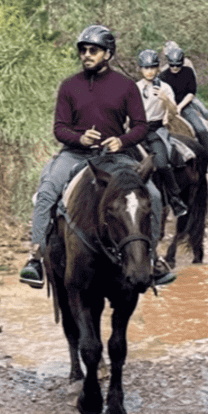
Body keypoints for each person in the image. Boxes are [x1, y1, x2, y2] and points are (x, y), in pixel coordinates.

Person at [20, 25, 167, 288]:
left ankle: (153, 258)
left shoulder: (125, 86)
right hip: (75, 155)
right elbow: (59, 128)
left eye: (93, 50)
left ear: (108, 54)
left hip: (115, 156)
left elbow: (140, 126)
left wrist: (121, 140)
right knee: (47, 191)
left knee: (153, 195)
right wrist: (79, 138)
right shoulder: (69, 86)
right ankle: (36, 258)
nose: (86, 55)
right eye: (83, 50)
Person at [135, 49, 188, 219]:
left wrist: (166, 99)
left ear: (157, 68)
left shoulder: (165, 88)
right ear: (140, 69)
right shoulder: (135, 88)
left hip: (155, 130)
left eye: (152, 67)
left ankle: (175, 199)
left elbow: (173, 112)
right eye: (145, 68)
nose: (149, 71)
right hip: (137, 130)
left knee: (163, 164)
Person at [159, 46, 208, 162]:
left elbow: (191, 93)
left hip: (184, 106)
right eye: (172, 65)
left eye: (177, 65)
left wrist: (179, 107)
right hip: (167, 108)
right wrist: (170, 108)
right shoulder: (162, 76)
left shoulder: (188, 72)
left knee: (201, 130)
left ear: (182, 62)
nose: (174, 68)